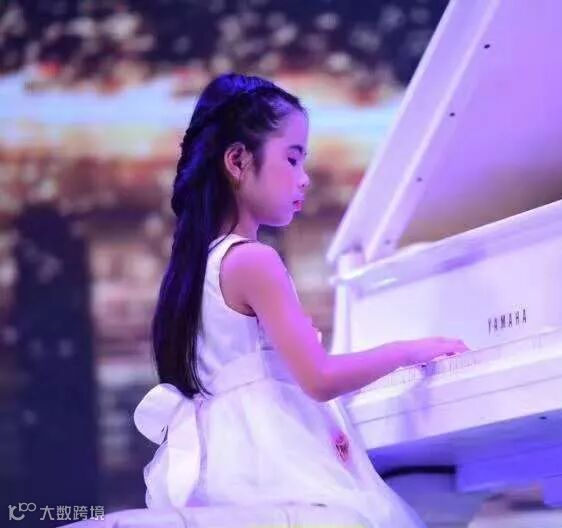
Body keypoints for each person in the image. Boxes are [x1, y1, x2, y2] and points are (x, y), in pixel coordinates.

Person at [132, 73, 469, 527]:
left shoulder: (198, 266)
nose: (304, 179)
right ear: (237, 160)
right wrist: (411, 351)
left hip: (229, 464)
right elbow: (320, 378)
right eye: (292, 159)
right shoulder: (253, 260)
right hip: (271, 466)